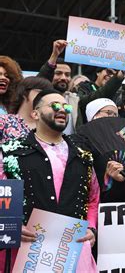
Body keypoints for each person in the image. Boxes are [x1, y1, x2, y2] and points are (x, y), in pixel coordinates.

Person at [0, 89, 99, 271]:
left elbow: (93, 198)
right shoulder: (10, 152)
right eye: (54, 105)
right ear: (35, 113)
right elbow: (1, 193)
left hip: (73, 252)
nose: (62, 109)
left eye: (66, 106)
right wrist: (11, 226)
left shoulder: (83, 156)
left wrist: (91, 228)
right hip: (26, 252)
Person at [0, 77, 53, 143]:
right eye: (41, 92)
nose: (45, 97)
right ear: (24, 92)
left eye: (48, 94)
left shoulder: (50, 127)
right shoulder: (4, 122)